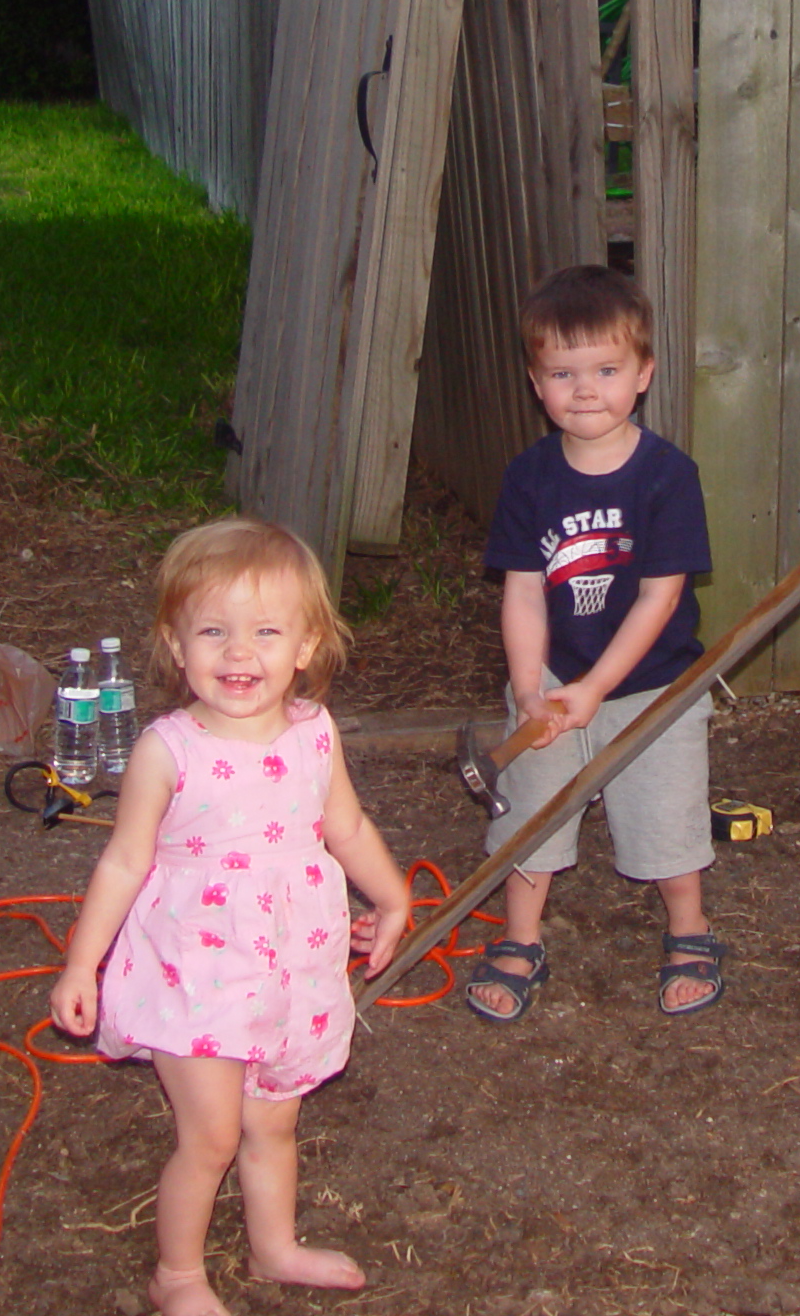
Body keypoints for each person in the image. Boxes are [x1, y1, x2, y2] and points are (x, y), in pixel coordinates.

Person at [52, 518, 414, 1308]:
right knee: (211, 1135)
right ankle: (175, 1276)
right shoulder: (167, 751)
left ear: (307, 645)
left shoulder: (316, 734)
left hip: (291, 965)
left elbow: (344, 827)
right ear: (177, 647)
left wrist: (392, 896)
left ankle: (273, 1246)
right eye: (213, 631)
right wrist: (84, 962)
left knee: (272, 1126)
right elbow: (122, 861)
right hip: (198, 971)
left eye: (265, 632)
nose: (239, 653)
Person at [465, 264, 721, 1022]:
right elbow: (520, 588)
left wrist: (599, 688)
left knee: (666, 811)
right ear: (535, 383)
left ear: (642, 374)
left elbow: (660, 595)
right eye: (562, 373)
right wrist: (528, 687)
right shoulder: (528, 477)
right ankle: (520, 940)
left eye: (606, 370)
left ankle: (690, 929)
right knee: (530, 808)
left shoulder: (667, 477)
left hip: (653, 683)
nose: (585, 390)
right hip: (555, 673)